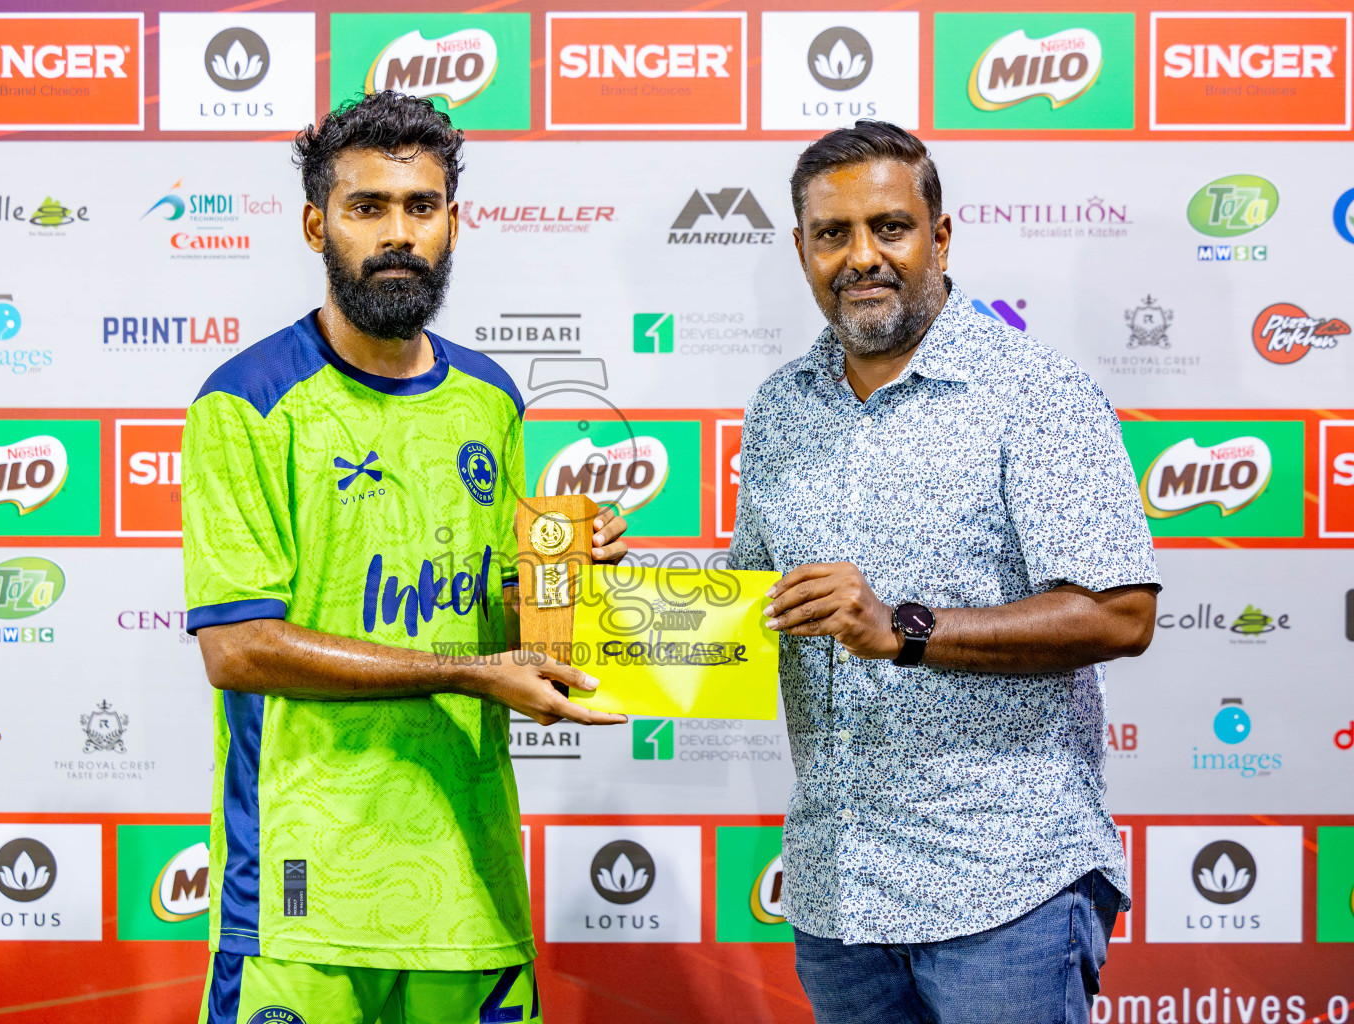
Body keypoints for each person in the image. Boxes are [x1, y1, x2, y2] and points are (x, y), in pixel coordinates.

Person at [181, 92, 627, 1024]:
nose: (398, 234)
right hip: (304, 899)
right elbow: (240, 649)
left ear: (452, 222)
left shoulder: (491, 399)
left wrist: (561, 581)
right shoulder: (247, 402)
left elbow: (505, 627)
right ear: (317, 224)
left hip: (471, 884)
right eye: (367, 207)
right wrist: (470, 671)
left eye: (421, 207)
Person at [729, 121, 1160, 1024]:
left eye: (890, 227)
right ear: (800, 249)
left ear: (941, 237)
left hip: (1006, 890)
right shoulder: (778, 408)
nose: (862, 257)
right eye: (832, 234)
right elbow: (751, 602)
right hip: (839, 891)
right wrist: (614, 588)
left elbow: (1120, 613)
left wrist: (904, 629)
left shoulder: (1035, 390)